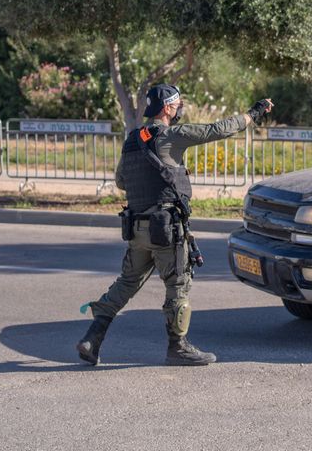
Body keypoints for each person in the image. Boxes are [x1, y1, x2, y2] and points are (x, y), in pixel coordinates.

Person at [76, 84, 274, 366]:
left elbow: (122, 181)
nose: (180, 109)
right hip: (165, 228)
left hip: (137, 228)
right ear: (167, 108)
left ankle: (92, 339)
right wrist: (254, 113)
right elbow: (217, 130)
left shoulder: (133, 139)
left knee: (127, 282)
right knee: (178, 284)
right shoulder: (171, 135)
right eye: (178, 104)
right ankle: (177, 347)